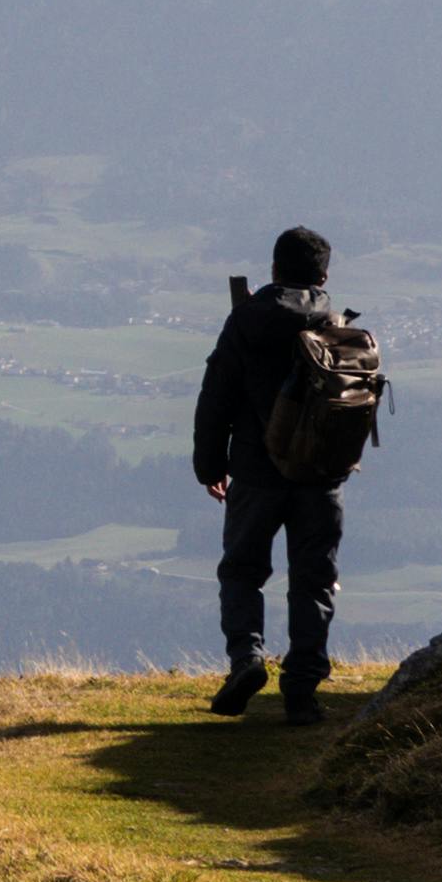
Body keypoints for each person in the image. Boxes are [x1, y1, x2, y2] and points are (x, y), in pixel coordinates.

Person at [195, 224, 346, 724]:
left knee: (242, 571)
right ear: (323, 274)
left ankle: (247, 659)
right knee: (314, 580)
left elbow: (217, 397)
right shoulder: (336, 324)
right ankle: (302, 690)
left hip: (257, 474)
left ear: (274, 270)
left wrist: (210, 466)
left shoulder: (245, 323)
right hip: (320, 477)